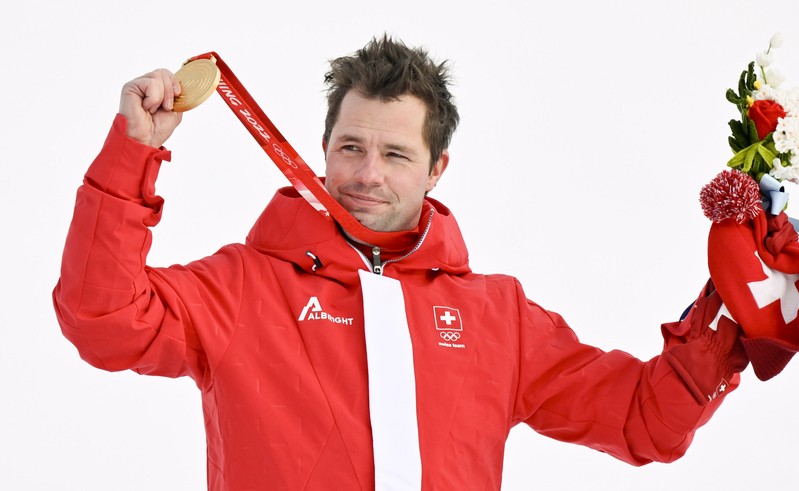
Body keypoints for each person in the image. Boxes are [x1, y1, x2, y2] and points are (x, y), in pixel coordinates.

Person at [53, 36, 751, 490]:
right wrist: (131, 153)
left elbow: (642, 421)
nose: (366, 174)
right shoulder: (241, 286)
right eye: (351, 147)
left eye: (394, 155)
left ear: (435, 168)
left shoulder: (496, 317)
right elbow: (103, 318)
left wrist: (733, 310)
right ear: (322, 147)